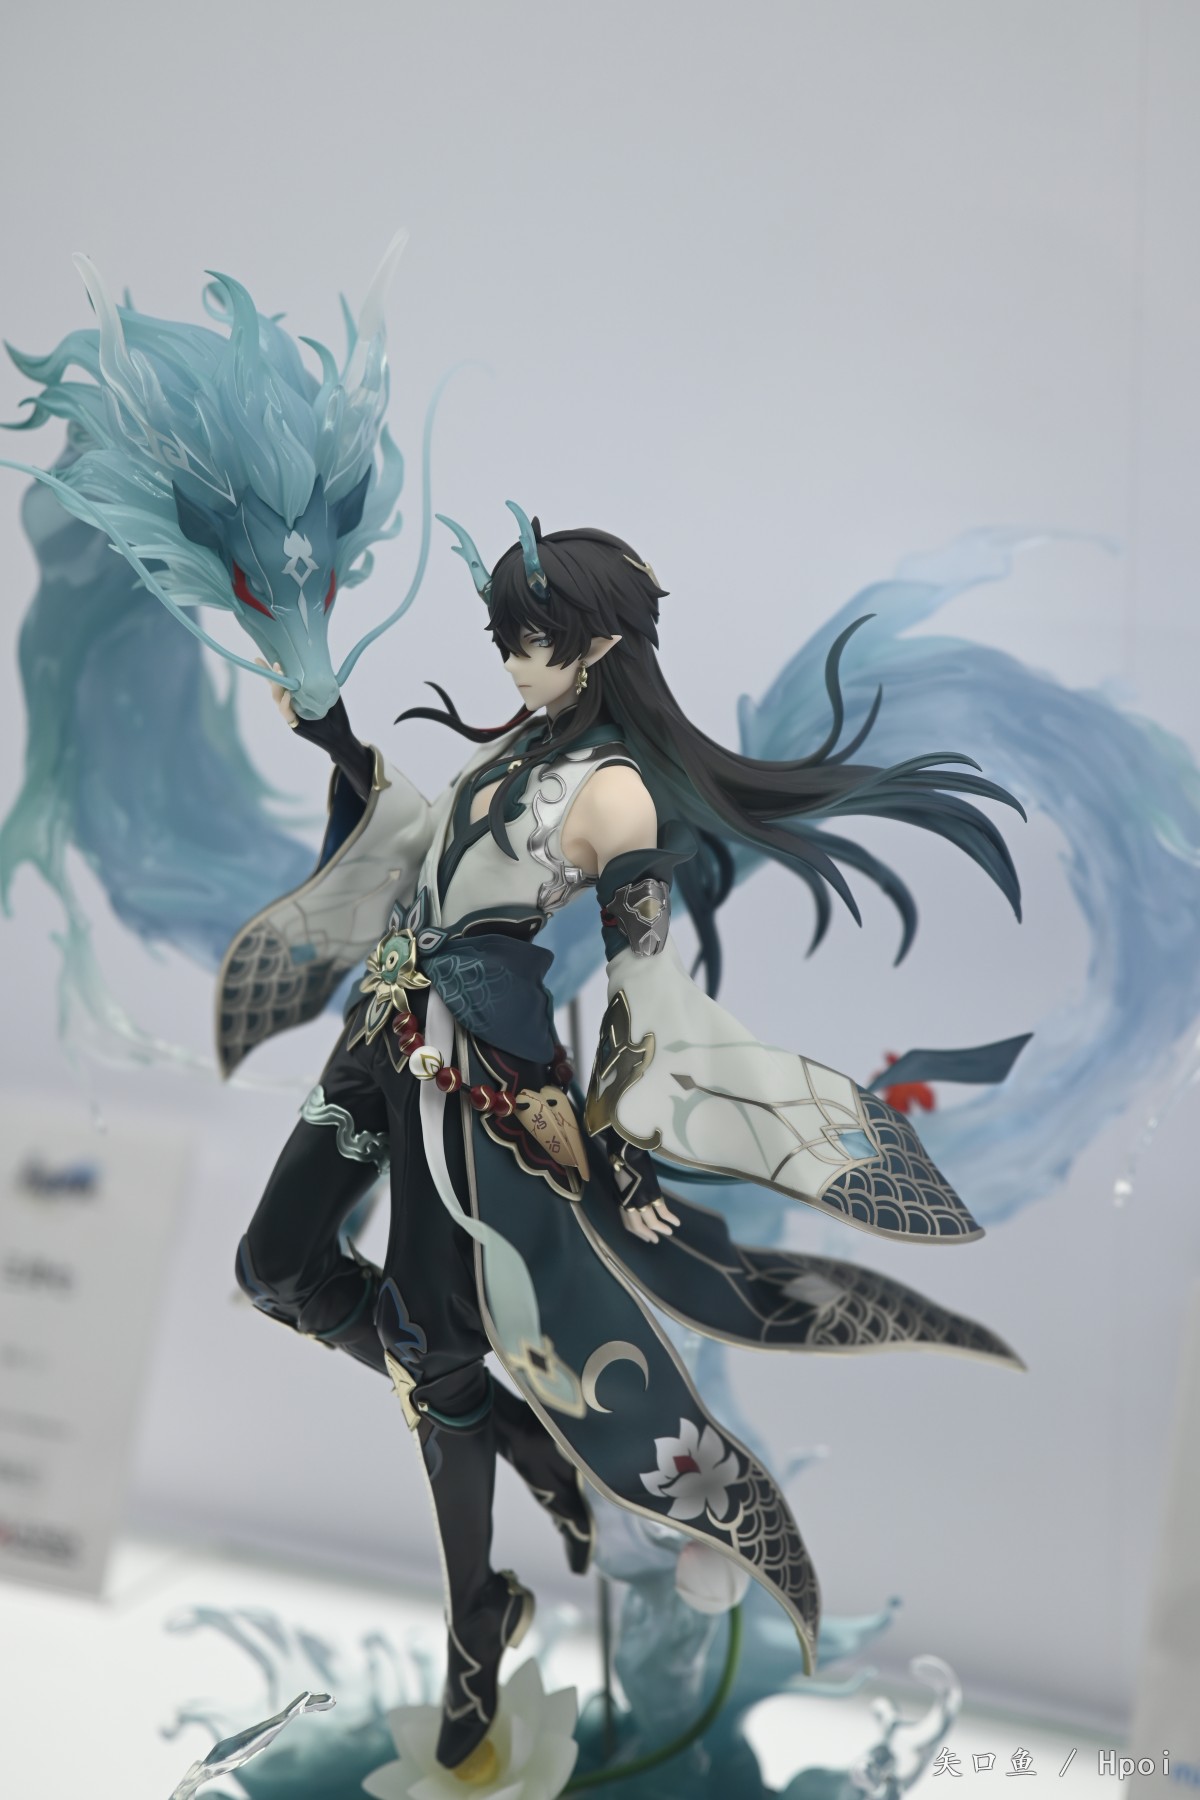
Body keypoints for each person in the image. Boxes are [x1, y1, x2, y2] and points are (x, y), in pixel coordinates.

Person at [224, 505, 1024, 1777]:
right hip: (387, 1032)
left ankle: (475, 1623)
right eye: (502, 638)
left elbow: (642, 982)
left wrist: (612, 1134)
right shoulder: (517, 749)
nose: (509, 662)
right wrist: (333, 733)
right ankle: (516, 1439)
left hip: (478, 1077)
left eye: (528, 640)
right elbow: (424, 853)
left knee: (431, 1338)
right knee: (274, 1267)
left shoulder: (613, 793)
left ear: (596, 644)